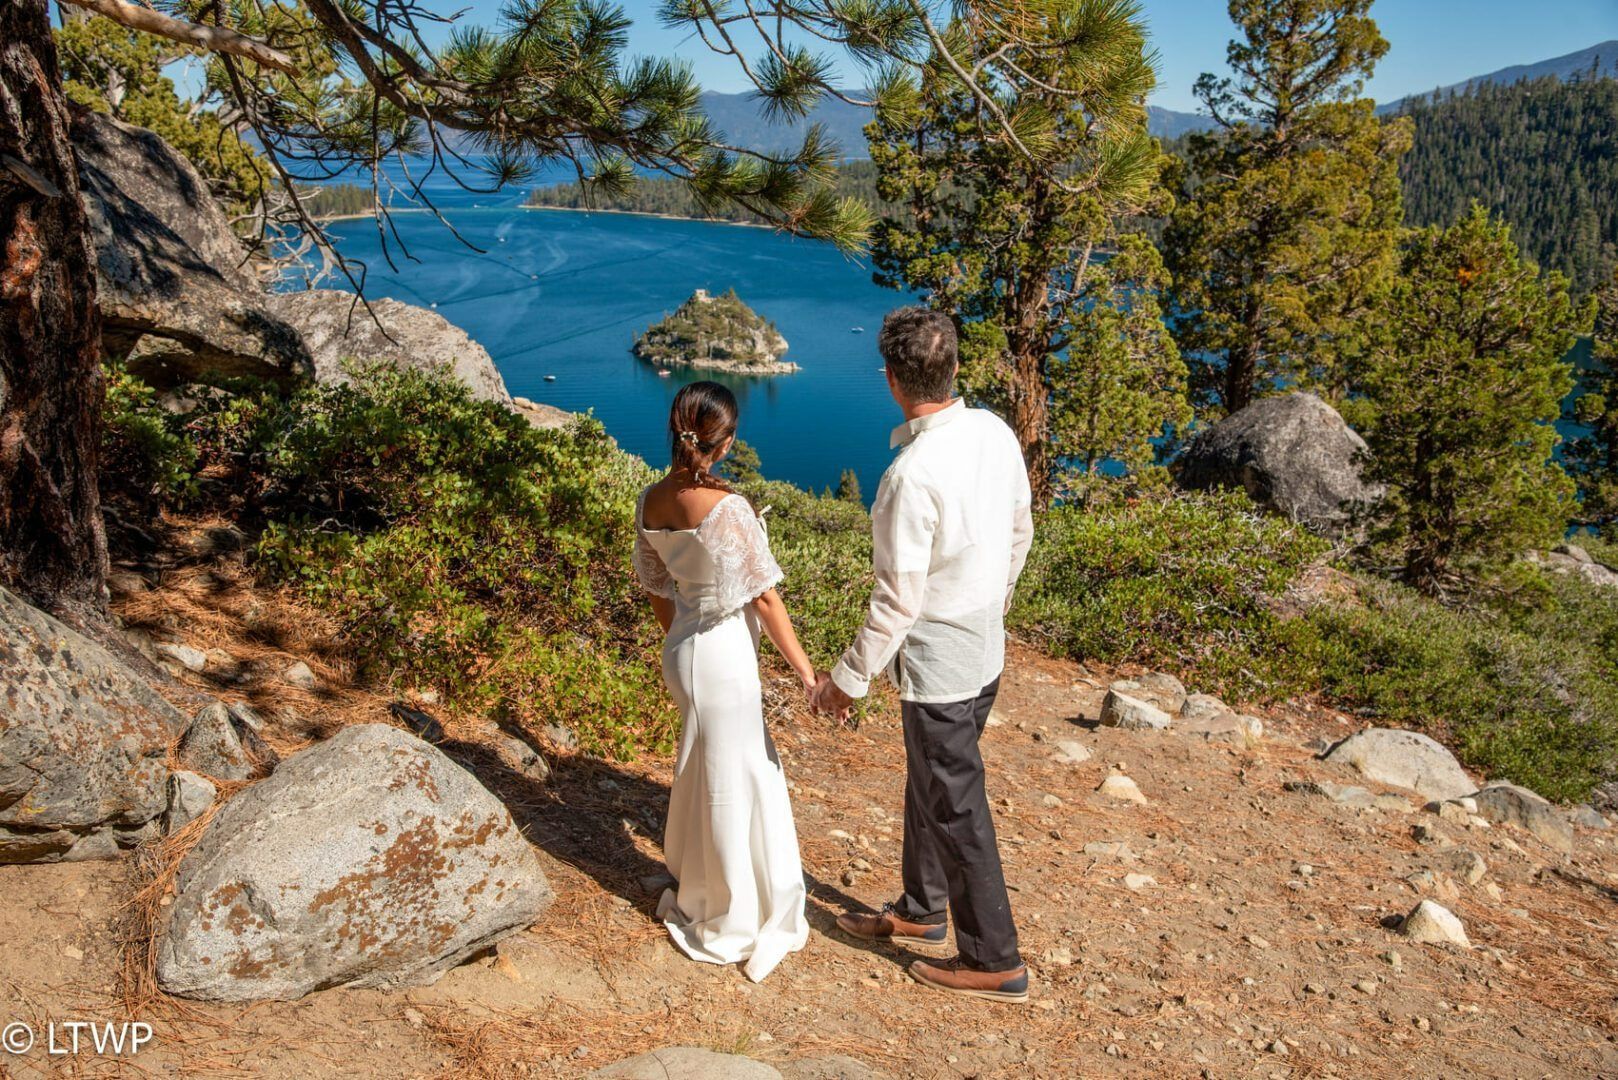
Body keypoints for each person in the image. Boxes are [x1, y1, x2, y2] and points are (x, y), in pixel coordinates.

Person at [810, 307, 1034, 1003]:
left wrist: (846, 681)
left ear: (891, 380)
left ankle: (994, 958)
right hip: (984, 644)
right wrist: (992, 603)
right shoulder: (993, 432)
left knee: (955, 804)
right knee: (934, 787)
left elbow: (897, 602)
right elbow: (1021, 528)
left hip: (941, 659)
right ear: (955, 368)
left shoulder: (910, 475)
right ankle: (921, 908)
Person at [633, 381, 815, 982]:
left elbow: (659, 589)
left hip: (684, 648)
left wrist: (677, 638)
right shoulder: (727, 508)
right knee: (733, 780)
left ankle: (709, 887)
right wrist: (809, 674)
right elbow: (765, 599)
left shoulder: (652, 500)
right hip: (723, 652)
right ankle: (734, 914)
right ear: (727, 440)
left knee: (709, 769)